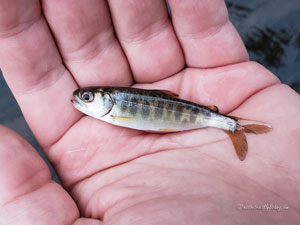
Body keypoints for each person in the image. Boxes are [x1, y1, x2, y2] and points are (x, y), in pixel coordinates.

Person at [0, 0, 299, 224]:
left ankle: (232, 126)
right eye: (86, 96)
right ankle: (230, 125)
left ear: (106, 100)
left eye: (88, 97)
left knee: (223, 122)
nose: (81, 99)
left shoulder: (117, 108)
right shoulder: (113, 107)